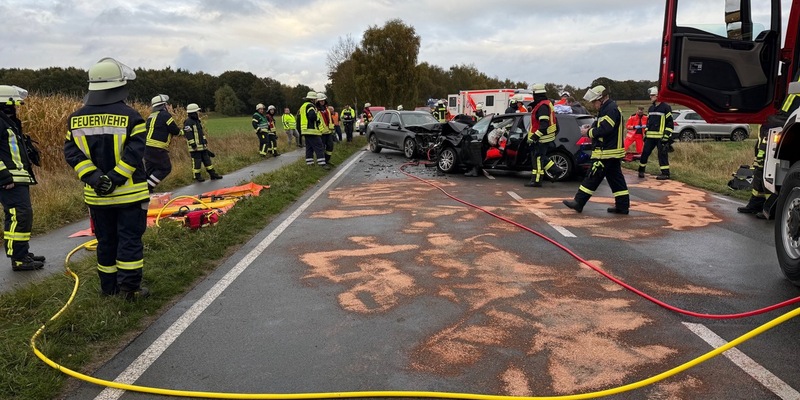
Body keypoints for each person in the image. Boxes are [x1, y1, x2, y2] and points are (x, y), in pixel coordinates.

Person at [63, 57, 149, 299]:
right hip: (130, 196)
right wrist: (114, 178)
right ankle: (130, 289)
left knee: (106, 242)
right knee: (129, 241)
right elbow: (135, 154)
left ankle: (108, 289)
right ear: (119, 86)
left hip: (97, 197)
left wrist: (95, 178)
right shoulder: (132, 117)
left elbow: (71, 152)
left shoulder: (75, 119)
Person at [738, 70, 800, 218]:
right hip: (780, 122)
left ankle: (768, 208)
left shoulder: (775, 120)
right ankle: (756, 203)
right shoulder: (770, 121)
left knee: (768, 172)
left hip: (786, 118)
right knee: (760, 171)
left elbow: (794, 97)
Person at [563, 85, 629, 214]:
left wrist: (588, 132)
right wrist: (591, 127)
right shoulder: (608, 108)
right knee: (616, 181)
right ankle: (622, 206)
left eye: (594, 102)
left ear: (601, 98)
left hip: (606, 152)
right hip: (611, 152)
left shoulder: (609, 109)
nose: (594, 105)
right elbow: (603, 125)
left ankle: (579, 202)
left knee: (592, 177)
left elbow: (605, 129)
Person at [0, 85, 43, 271]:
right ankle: (18, 259)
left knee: (19, 216)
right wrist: (3, 176)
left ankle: (22, 253)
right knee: (19, 215)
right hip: (9, 180)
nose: (16, 108)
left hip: (17, 178)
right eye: (13, 104)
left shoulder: (8, 122)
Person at [525, 83, 563, 187]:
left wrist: (534, 137)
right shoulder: (545, 103)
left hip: (542, 138)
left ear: (536, 94)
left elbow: (543, 125)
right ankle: (556, 170)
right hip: (545, 137)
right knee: (541, 158)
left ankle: (536, 181)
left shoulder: (542, 107)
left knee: (538, 159)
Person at [144, 94, 182, 192]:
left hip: (146, 148)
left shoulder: (151, 116)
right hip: (157, 148)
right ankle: (147, 188)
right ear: (164, 105)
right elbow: (174, 130)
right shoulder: (165, 115)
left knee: (151, 171)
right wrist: (183, 132)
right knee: (165, 168)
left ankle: (146, 192)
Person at [638, 87, 674, 180]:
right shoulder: (651, 108)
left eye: (652, 95)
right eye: (650, 95)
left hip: (661, 137)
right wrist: (646, 132)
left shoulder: (666, 107)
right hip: (650, 136)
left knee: (662, 155)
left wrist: (666, 136)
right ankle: (641, 170)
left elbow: (670, 122)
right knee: (645, 153)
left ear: (658, 96)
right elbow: (648, 122)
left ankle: (665, 173)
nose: (650, 97)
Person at [183, 103, 223, 181]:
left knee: (207, 161)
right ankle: (197, 176)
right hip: (194, 148)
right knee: (197, 162)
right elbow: (188, 134)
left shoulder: (197, 121)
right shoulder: (188, 122)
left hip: (202, 146)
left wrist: (204, 140)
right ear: (193, 113)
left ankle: (212, 174)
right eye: (196, 112)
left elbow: (201, 133)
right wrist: (192, 143)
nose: (198, 113)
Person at [298, 91, 328, 169]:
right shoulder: (311, 106)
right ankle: (322, 163)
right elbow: (312, 116)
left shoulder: (303, 106)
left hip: (305, 130)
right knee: (319, 146)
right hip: (312, 130)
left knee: (309, 147)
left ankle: (310, 163)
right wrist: (317, 119)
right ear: (313, 99)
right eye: (315, 99)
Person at [316, 94, 334, 166]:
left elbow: (330, 119)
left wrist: (332, 128)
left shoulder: (327, 109)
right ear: (318, 101)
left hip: (328, 131)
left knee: (330, 146)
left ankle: (327, 160)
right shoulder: (316, 110)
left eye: (323, 100)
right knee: (322, 148)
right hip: (321, 132)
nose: (322, 102)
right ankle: (322, 162)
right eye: (321, 101)